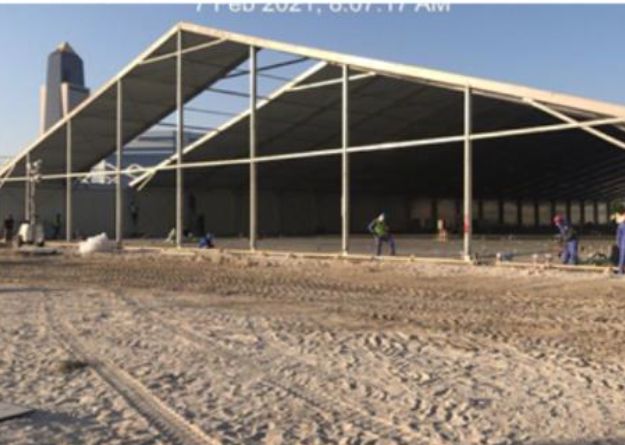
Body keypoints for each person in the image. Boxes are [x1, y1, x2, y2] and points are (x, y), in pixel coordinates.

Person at [614, 206, 625, 275]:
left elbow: (618, 236)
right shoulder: (621, 225)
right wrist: (618, 243)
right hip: (623, 244)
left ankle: (621, 271)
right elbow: (618, 236)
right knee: (622, 257)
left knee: (622, 257)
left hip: (623, 243)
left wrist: (618, 243)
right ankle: (620, 271)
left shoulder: (620, 225)